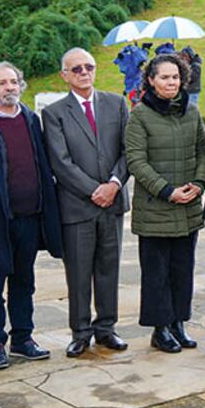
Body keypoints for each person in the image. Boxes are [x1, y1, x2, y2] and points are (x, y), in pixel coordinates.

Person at [0, 62, 63, 370]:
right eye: (2, 83)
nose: (10, 87)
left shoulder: (31, 120)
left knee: (23, 281)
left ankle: (23, 338)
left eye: (14, 81)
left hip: (29, 217)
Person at [43, 48, 131, 357]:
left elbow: (127, 150)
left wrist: (114, 185)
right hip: (78, 206)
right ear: (64, 75)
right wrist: (95, 190)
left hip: (113, 202)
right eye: (76, 68)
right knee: (78, 273)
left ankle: (106, 328)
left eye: (89, 66)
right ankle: (80, 332)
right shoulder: (53, 113)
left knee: (109, 269)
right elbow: (60, 162)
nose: (84, 72)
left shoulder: (117, 104)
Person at [125, 54, 205, 353]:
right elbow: (136, 160)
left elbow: (204, 152)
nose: (171, 82)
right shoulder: (140, 115)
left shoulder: (190, 111)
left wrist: (198, 185)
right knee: (156, 272)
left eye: (175, 77)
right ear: (151, 80)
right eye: (164, 77)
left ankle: (178, 323)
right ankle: (160, 329)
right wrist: (166, 191)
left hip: (187, 205)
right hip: (156, 208)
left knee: (182, 268)